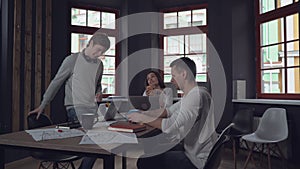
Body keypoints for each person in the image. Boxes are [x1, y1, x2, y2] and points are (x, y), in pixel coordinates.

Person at [29, 32, 110, 169]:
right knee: (95, 142)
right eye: (97, 50)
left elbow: (98, 84)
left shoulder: (99, 65)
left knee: (99, 143)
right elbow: (56, 82)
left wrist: (99, 92)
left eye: (102, 52)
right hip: (75, 107)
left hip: (92, 108)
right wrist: (43, 104)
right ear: (90, 43)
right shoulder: (72, 60)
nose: (99, 54)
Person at [128, 57, 217, 169]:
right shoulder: (195, 93)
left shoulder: (196, 95)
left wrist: (142, 118)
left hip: (196, 160)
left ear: (184, 74)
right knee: (152, 152)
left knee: (144, 161)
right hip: (194, 151)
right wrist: (144, 113)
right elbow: (168, 111)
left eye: (173, 76)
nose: (171, 80)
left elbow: (170, 125)